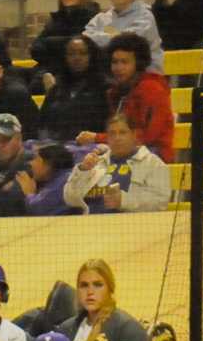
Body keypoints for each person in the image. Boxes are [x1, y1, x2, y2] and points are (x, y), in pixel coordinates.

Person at [60, 257, 151, 341]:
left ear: (110, 288)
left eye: (98, 285)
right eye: (84, 285)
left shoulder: (127, 328)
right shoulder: (67, 329)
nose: (90, 292)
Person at [63, 113, 170, 214]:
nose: (117, 138)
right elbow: (70, 199)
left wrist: (124, 201)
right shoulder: (96, 163)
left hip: (130, 226)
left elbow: (160, 202)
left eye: (122, 132)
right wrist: (83, 171)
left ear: (134, 135)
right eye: (112, 133)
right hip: (91, 225)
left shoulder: (152, 163)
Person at [101, 33, 173, 163]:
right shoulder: (114, 93)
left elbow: (150, 135)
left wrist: (98, 138)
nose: (118, 68)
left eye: (125, 62)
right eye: (115, 62)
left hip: (154, 153)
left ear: (138, 63)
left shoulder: (152, 89)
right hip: (122, 147)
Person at [79, 0, 162, 70]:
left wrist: (102, 38)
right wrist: (114, 36)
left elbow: (125, 44)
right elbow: (86, 39)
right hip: (113, 76)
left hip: (145, 75)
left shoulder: (145, 16)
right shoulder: (101, 18)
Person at [37, 36, 109, 145]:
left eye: (83, 53)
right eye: (71, 54)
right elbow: (43, 123)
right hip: (55, 146)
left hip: (91, 148)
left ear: (92, 56)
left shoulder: (104, 87)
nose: (77, 58)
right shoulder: (57, 87)